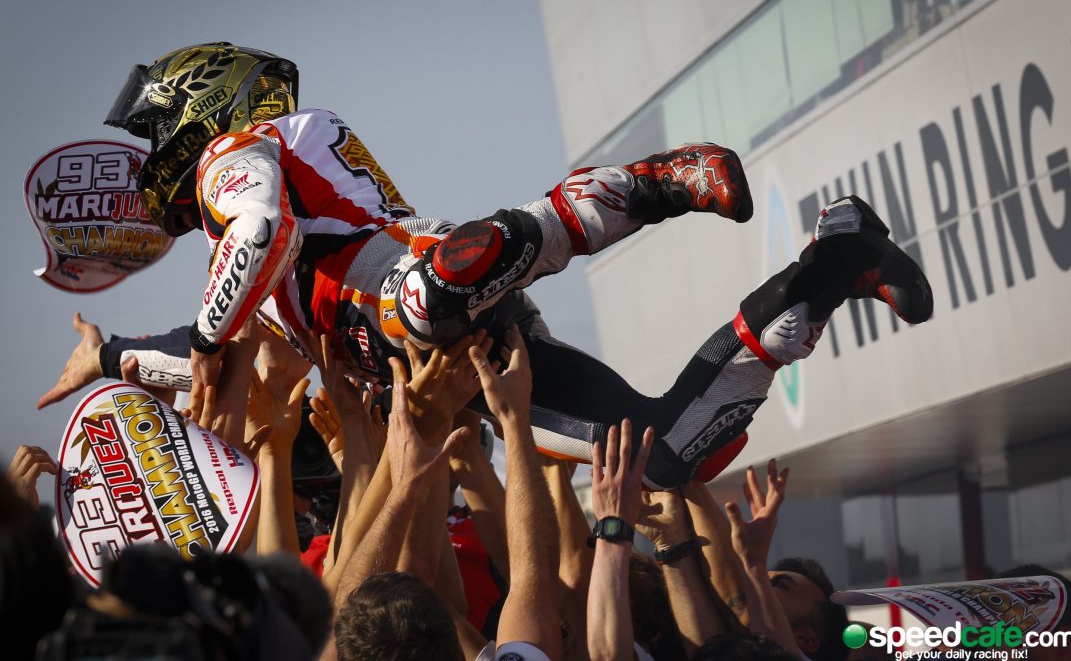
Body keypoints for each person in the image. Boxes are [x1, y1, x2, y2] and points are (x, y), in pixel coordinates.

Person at [46, 41, 933, 488]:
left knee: (423, 304)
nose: (150, 156)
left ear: (194, 102)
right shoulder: (243, 287)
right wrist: (112, 355)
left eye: (152, 132)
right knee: (657, 459)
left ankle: (651, 184)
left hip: (419, 286)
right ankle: (835, 259)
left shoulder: (233, 153)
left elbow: (261, 233)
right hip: (462, 364)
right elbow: (216, 350)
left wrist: (207, 340)